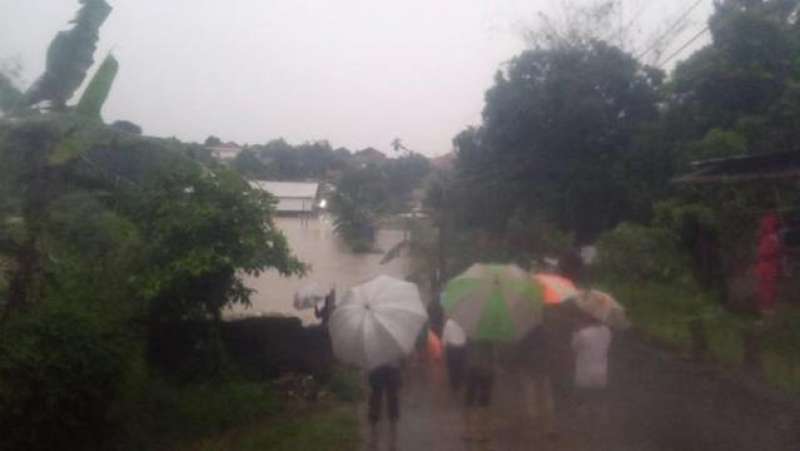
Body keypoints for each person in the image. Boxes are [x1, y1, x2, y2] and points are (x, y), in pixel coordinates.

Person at [570, 315, 612, 437]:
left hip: (585, 373)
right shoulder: (607, 332)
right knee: (599, 400)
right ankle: (601, 428)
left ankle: (584, 429)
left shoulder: (582, 334)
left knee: (583, 400)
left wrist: (575, 333)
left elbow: (574, 347)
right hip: (601, 372)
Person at [463, 340, 496, 441]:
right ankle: (483, 432)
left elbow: (467, 352)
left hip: (473, 369)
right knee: (484, 402)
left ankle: (469, 431)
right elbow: (494, 355)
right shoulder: (491, 336)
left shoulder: (470, 334)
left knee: (469, 401)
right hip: (487, 370)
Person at [367, 361, 402, 448]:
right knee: (392, 415)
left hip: (377, 393)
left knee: (375, 411)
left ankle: (375, 439)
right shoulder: (394, 365)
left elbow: (370, 382)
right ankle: (392, 441)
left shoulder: (374, 364)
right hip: (390, 395)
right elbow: (400, 383)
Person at [443, 319, 467, 392]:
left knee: (452, 367)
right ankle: (460, 381)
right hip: (462, 347)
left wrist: (444, 345)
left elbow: (445, 336)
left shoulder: (448, 322)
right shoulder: (466, 322)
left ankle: (454, 384)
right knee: (460, 365)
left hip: (451, 348)